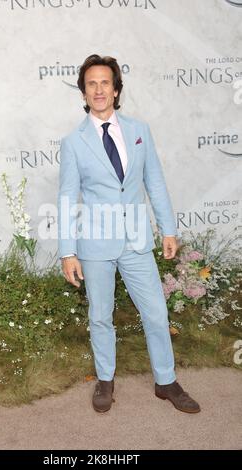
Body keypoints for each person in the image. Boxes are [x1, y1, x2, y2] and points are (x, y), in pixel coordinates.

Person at [57, 54, 200, 414]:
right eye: (92, 84)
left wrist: (168, 229)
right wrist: (67, 252)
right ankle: (105, 380)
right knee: (101, 315)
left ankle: (166, 381)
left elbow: (154, 181)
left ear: (116, 88)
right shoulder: (73, 142)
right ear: (84, 92)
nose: (99, 89)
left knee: (155, 313)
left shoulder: (139, 131)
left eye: (105, 82)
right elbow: (65, 198)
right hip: (95, 243)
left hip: (136, 239)